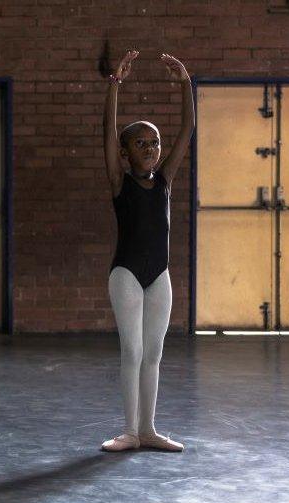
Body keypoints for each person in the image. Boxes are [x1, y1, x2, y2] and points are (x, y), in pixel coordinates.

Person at [100, 50, 194, 452]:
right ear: (126, 153)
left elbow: (187, 130)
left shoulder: (166, 181)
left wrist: (185, 83)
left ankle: (149, 429)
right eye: (142, 144)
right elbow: (107, 131)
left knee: (153, 353)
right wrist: (114, 85)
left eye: (154, 142)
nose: (152, 149)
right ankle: (129, 431)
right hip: (126, 274)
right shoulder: (120, 182)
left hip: (160, 274)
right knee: (133, 350)